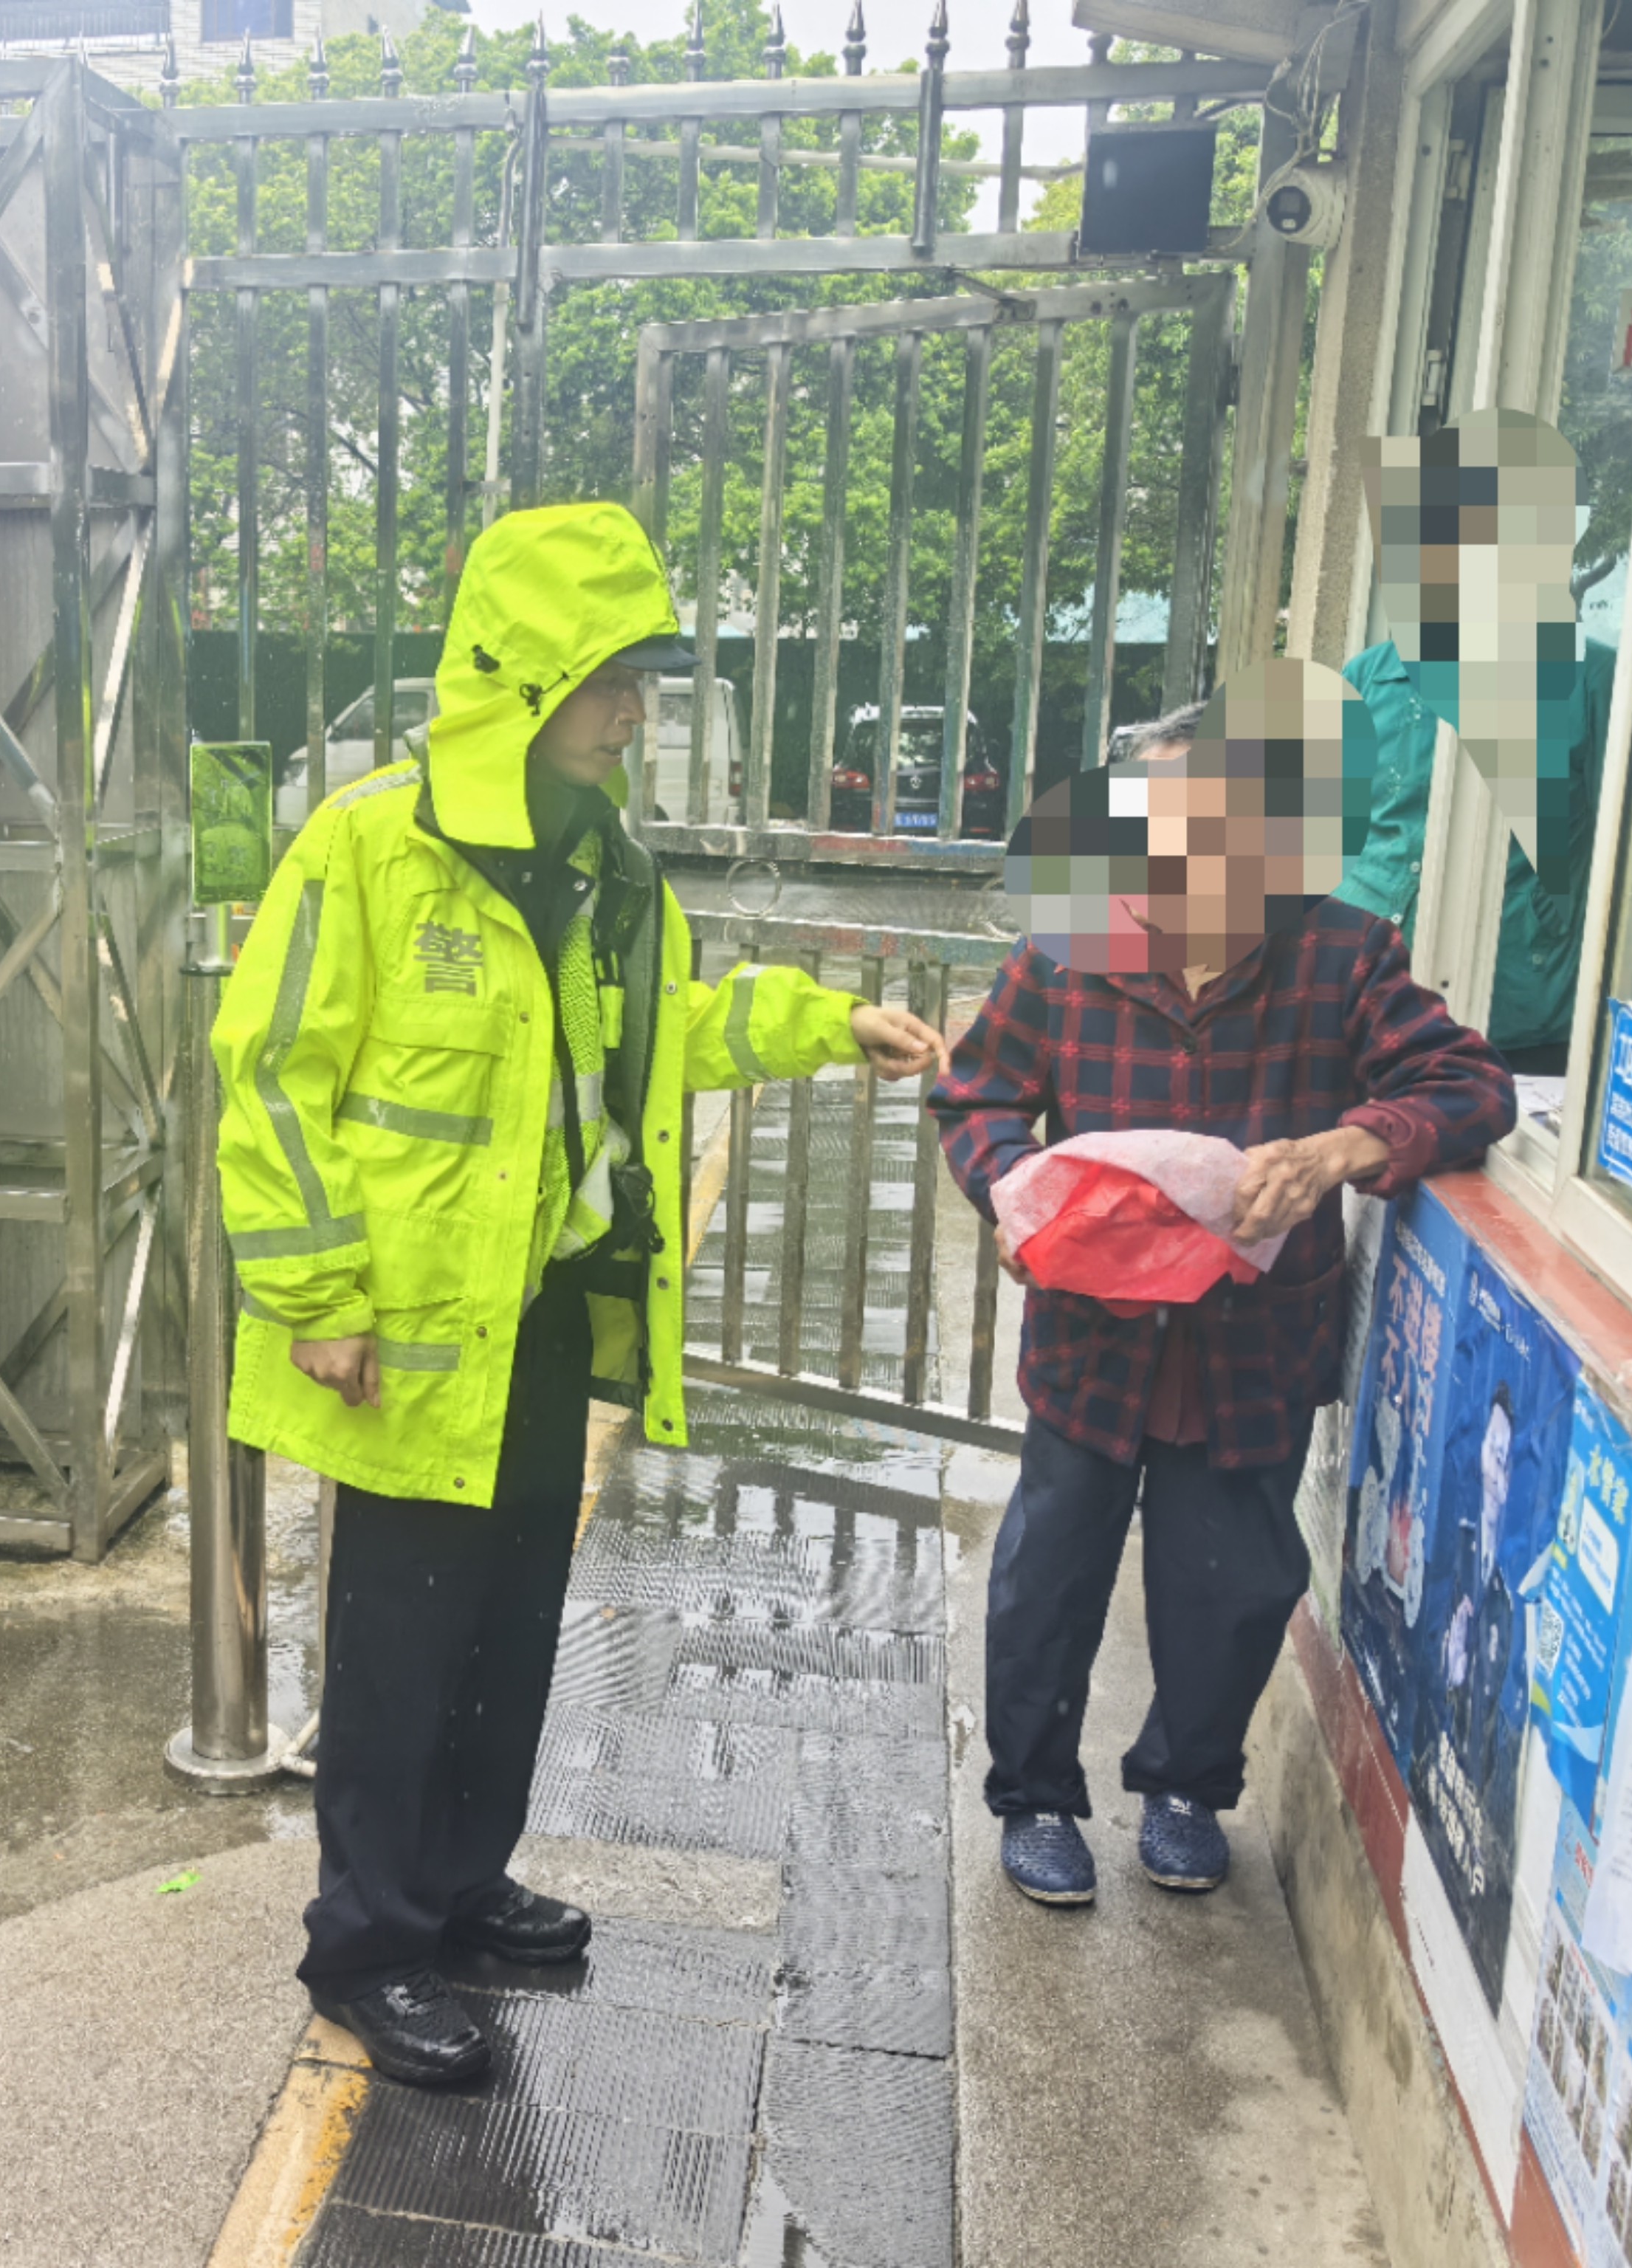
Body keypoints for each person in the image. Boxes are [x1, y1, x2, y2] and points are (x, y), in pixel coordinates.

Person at [212, 501, 948, 2085]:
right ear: (528, 680)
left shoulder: (604, 868)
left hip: (535, 1321)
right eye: (614, 681)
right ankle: (369, 1946)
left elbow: (664, 1030)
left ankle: (463, 1889)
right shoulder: (368, 847)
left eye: (642, 684)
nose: (635, 714)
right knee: (401, 1650)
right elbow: (269, 1079)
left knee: (506, 1635)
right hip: (399, 1340)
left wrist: (829, 1026)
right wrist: (319, 1293)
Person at [933, 666, 1515, 1908]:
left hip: (1252, 1341)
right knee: (1049, 1572)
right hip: (1092, 1334)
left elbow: (1469, 1089)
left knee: (1233, 1580)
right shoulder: (1065, 954)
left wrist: (1340, 1148)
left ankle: (1185, 1785)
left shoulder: (1342, 956)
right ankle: (1032, 1796)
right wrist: (1011, 1189)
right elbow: (976, 1096)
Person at [1335, 409, 1614, 1074]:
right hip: (1359, 1005)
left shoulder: (1593, 679)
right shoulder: (1369, 677)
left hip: (1515, 1015)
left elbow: (1617, 855)